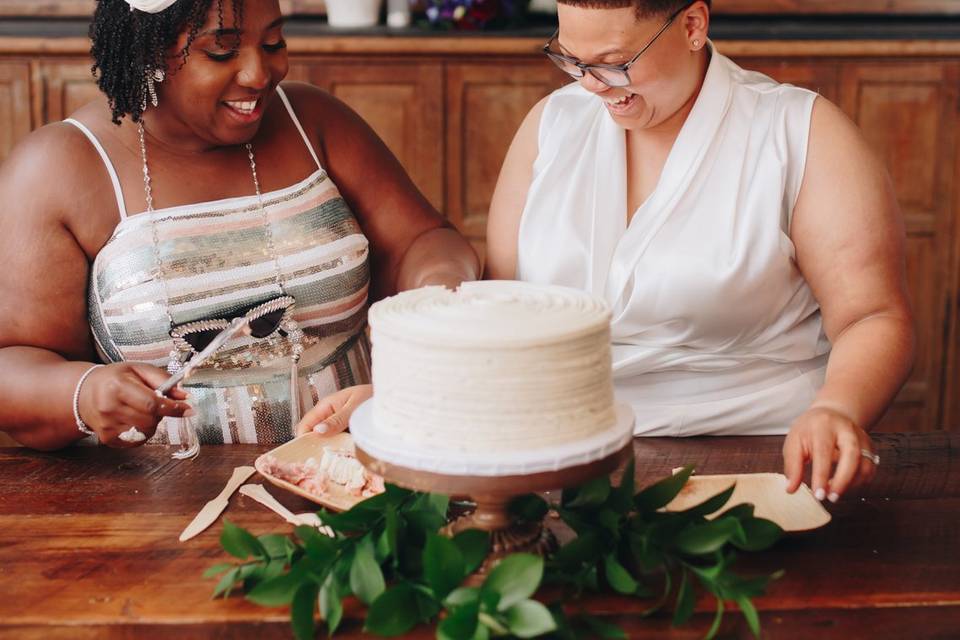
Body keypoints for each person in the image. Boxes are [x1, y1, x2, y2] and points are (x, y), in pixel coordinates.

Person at [300, 0, 915, 505]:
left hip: (761, 460)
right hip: (560, 457)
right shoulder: (551, 127)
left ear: (694, 25)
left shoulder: (800, 132)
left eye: (616, 63)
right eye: (573, 60)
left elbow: (872, 317)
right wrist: (409, 397)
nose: (593, 86)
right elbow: (502, 316)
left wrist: (837, 408)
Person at [0, 0, 479, 451]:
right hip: (158, 504)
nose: (258, 73)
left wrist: (439, 300)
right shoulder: (57, 168)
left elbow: (424, 240)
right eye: (222, 51)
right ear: (148, 51)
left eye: (273, 44)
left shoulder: (314, 121)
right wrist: (81, 393)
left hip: (348, 469)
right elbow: (12, 363)